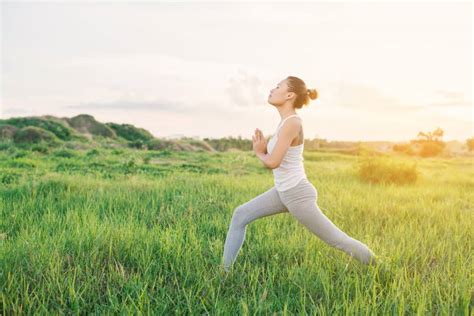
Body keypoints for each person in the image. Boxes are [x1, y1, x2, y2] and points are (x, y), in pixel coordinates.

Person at [221, 75, 377, 272]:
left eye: (277, 86)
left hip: (297, 194)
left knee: (338, 240)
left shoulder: (293, 123)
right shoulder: (284, 122)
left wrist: (260, 152)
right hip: (282, 192)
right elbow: (278, 158)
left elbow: (273, 162)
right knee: (240, 215)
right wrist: (263, 150)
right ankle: (223, 274)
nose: (272, 89)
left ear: (289, 94)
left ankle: (381, 268)